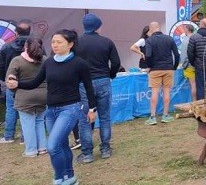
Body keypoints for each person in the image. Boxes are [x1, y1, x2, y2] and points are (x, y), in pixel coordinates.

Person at [7, 29, 97, 185]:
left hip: (70, 109)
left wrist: (92, 110)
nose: (55, 45)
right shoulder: (48, 62)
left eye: (59, 42)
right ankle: (69, 177)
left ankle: (58, 178)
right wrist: (18, 84)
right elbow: (35, 82)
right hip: (50, 110)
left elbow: (89, 88)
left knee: (52, 145)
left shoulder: (79, 64)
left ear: (70, 44)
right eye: (53, 41)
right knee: (61, 145)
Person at [74, 14, 121, 163]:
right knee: (105, 116)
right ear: (98, 26)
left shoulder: (76, 43)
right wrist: (110, 75)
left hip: (83, 83)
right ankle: (105, 149)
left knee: (85, 118)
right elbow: (116, 62)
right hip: (103, 80)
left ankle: (87, 153)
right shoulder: (106, 42)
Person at [6, 37, 47, 157]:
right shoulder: (45, 59)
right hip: (43, 95)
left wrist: (14, 90)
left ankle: (31, 150)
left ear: (25, 47)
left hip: (24, 96)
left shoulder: (17, 60)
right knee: (39, 121)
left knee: (27, 124)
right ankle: (42, 148)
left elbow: (10, 80)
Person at [0, 19, 31, 144]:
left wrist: (6, 79)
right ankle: (25, 137)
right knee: (27, 109)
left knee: (11, 109)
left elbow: (1, 66)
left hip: (11, 83)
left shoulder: (6, 47)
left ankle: (9, 136)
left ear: (16, 32)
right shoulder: (35, 45)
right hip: (30, 83)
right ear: (29, 32)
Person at [144, 22, 179, 125]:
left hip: (155, 69)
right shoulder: (169, 38)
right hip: (168, 68)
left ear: (151, 29)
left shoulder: (149, 40)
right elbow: (176, 55)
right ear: (159, 28)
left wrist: (149, 66)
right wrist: (174, 67)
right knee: (167, 92)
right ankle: (165, 115)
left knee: (155, 92)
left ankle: (153, 117)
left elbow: (148, 55)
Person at [179, 24, 197, 101]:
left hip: (189, 65)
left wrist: (183, 64)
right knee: (197, 84)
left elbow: (184, 54)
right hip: (197, 65)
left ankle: (194, 101)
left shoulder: (186, 40)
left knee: (193, 85)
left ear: (187, 30)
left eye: (184, 29)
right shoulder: (197, 38)